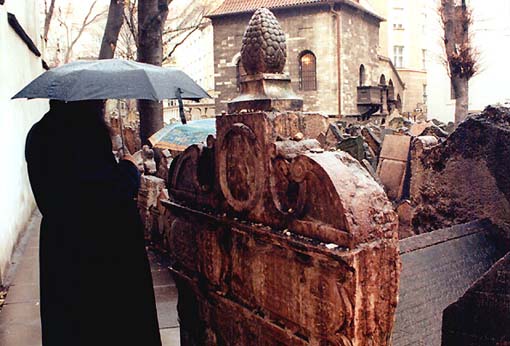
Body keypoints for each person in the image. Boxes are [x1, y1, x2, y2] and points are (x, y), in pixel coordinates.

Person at [25, 100, 162, 346]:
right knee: (107, 327)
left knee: (69, 326)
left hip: (60, 246)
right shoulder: (83, 132)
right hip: (101, 254)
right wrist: (129, 168)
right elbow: (104, 194)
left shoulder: (38, 133)